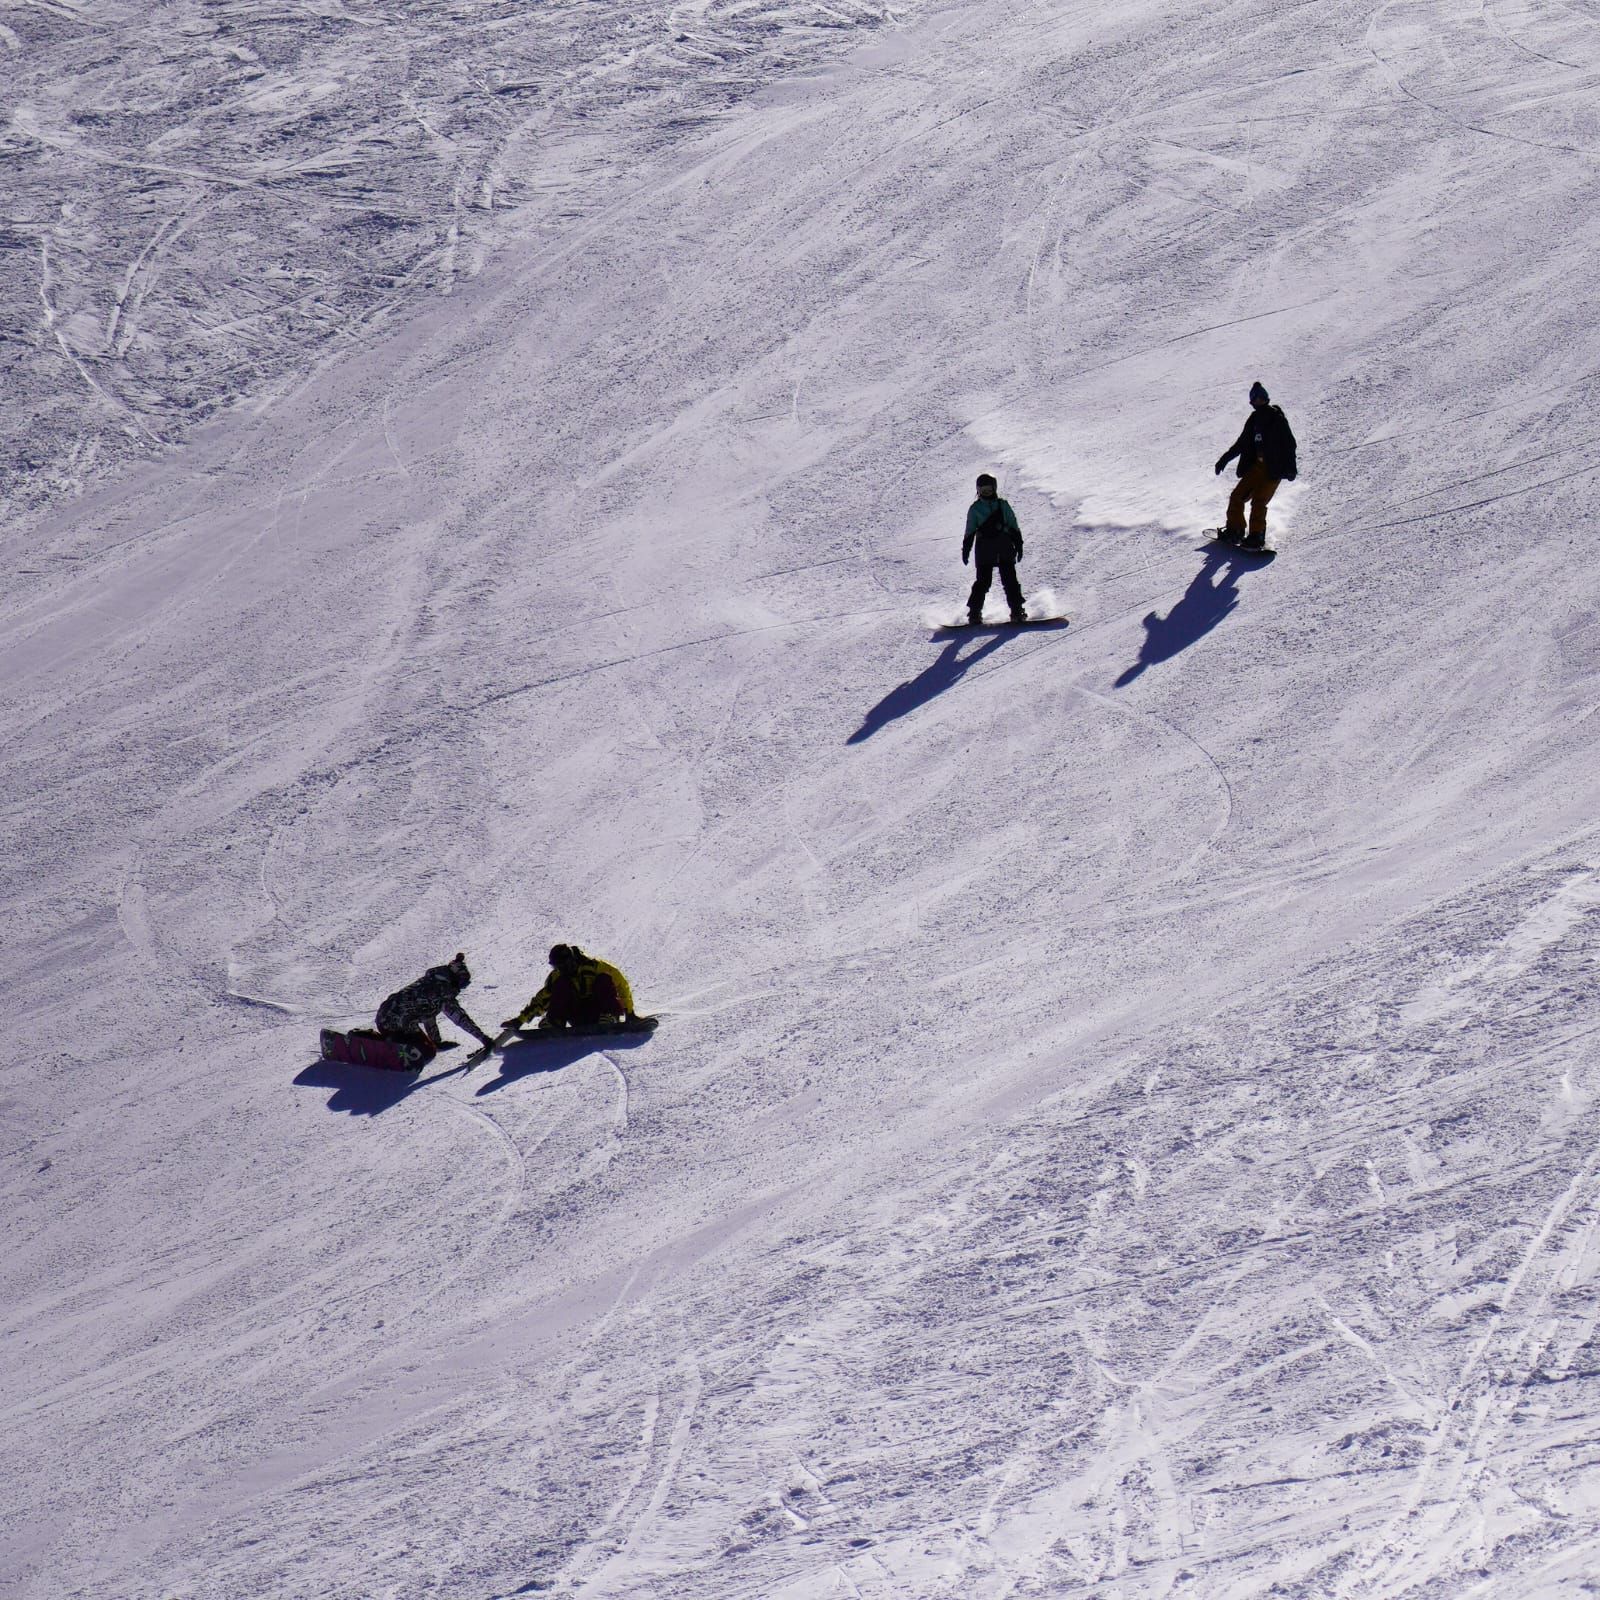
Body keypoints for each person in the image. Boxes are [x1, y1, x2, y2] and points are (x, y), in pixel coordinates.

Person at [1214, 381, 1297, 550]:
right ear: (1252, 402)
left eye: (1261, 398)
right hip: (1257, 468)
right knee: (1237, 496)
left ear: (1266, 399)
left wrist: (1291, 467)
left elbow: (1289, 444)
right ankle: (1235, 529)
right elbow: (1242, 443)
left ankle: (1256, 536)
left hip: (1273, 470)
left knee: (1259, 502)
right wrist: (1225, 459)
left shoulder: (1276, 418)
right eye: (1255, 399)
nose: (1258, 401)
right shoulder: (1253, 420)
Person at [373, 952, 495, 1057]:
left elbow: (428, 1015)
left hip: (383, 1018)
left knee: (429, 1047)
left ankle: (389, 1041)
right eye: (462, 983)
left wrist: (436, 1042)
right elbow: (460, 1018)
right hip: (397, 1025)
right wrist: (483, 1038)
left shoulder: (430, 981)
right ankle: (394, 1050)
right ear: (454, 978)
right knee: (426, 1052)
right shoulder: (443, 992)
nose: (460, 988)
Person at [502, 944, 638, 1032]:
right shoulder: (557, 976)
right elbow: (542, 999)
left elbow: (622, 985)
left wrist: (629, 1012)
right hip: (577, 1014)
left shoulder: (595, 966)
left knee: (604, 979)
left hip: (599, 1012)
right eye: (557, 966)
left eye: (563, 965)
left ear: (571, 960)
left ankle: (610, 1016)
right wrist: (519, 1020)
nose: (561, 969)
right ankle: (556, 1021)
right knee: (560, 984)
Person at [962, 473, 1026, 623]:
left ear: (994, 489)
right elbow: (970, 530)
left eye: (989, 489)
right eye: (983, 490)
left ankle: (1017, 610)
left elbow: (1012, 524)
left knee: (1009, 580)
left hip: (1003, 546)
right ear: (978, 491)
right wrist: (966, 549)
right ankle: (974, 613)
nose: (986, 493)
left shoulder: (1002, 505)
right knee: (983, 581)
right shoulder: (975, 509)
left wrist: (1018, 543)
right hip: (985, 549)